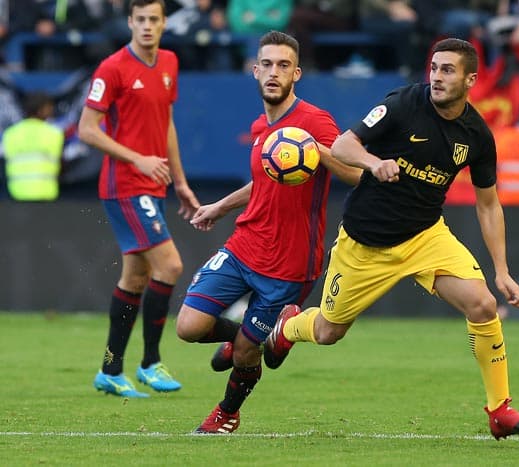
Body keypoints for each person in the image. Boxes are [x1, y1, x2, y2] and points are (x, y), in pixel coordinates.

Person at [264, 37, 519, 440]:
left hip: (425, 236)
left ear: (471, 80)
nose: (436, 76)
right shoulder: (402, 103)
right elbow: (343, 145)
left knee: (483, 304)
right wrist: (374, 163)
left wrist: (501, 270)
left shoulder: (477, 136)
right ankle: (289, 327)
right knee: (328, 332)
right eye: (433, 68)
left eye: (448, 70)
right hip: (366, 242)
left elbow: (488, 204)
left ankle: (500, 410)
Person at [175, 30, 361, 434]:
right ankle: (261, 334)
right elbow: (264, 180)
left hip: (289, 262)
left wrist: (317, 149)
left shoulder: (315, 121)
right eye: (267, 65)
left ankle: (227, 414)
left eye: (283, 66)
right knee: (188, 327)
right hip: (245, 244)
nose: (273, 73)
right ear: (254, 70)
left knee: (245, 352)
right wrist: (220, 207)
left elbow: (354, 173)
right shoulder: (262, 124)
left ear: (296, 73)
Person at [78, 0, 200, 398]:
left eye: (154, 20)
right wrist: (139, 159)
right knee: (170, 265)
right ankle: (149, 363)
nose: (147, 26)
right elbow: (87, 130)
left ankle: (110, 369)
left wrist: (179, 182)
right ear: (130, 22)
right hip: (124, 185)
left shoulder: (168, 63)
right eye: (140, 20)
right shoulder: (112, 68)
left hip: (154, 185)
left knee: (136, 277)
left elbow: (165, 125)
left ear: (164, 24)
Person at [2, 91, 64, 201]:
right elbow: (62, 164)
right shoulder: (54, 133)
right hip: (47, 195)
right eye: (49, 107)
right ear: (41, 109)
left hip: (15, 194)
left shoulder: (10, 133)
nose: (52, 111)